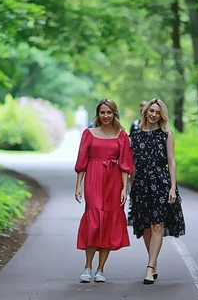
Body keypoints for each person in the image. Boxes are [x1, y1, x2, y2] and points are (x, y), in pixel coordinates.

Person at [74, 98, 133, 283]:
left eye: (109, 112)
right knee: (94, 219)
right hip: (94, 177)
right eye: (102, 112)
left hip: (114, 180)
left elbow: (125, 164)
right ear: (98, 114)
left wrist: (125, 188)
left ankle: (100, 269)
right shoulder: (89, 133)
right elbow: (82, 160)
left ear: (114, 113)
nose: (105, 116)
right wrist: (78, 185)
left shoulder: (122, 135)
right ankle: (87, 266)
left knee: (109, 221)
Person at [129, 98, 185, 285]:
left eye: (157, 112)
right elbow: (133, 165)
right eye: (151, 111)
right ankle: (153, 261)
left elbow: (172, 161)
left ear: (162, 115)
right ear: (145, 112)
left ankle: (150, 267)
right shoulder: (135, 135)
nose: (153, 114)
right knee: (145, 226)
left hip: (161, 182)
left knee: (157, 225)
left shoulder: (166, 134)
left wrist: (172, 188)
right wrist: (131, 189)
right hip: (141, 184)